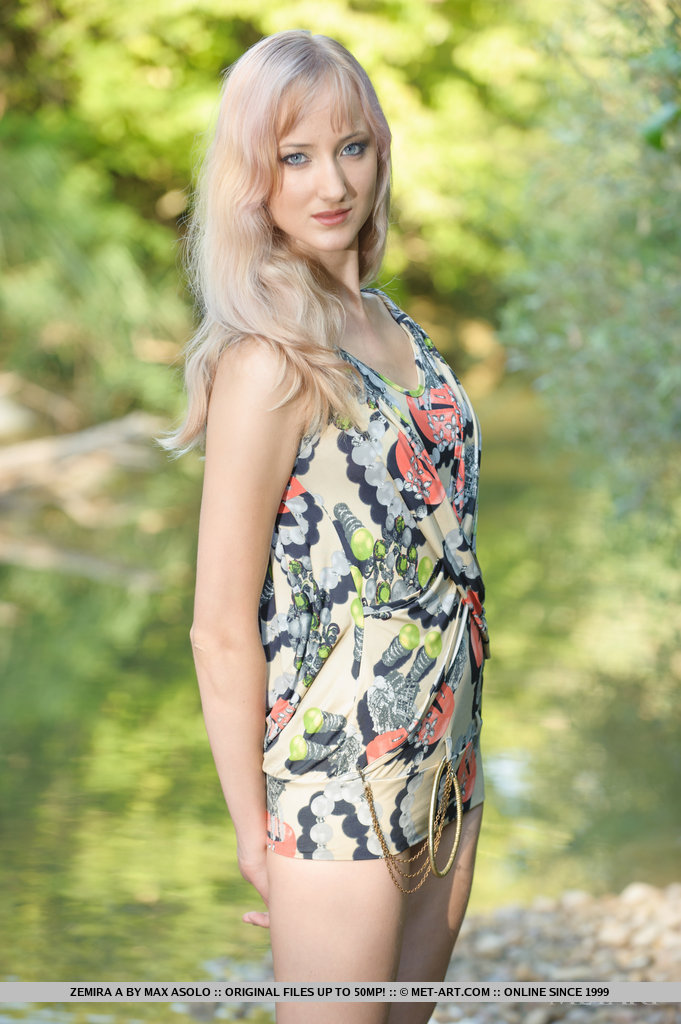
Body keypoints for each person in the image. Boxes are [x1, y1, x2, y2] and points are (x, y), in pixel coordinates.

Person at [164, 28, 490, 1024]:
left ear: (380, 151)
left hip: (450, 760)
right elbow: (219, 626)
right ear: (251, 180)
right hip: (337, 778)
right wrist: (254, 832)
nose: (331, 183)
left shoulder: (397, 328)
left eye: (350, 147)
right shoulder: (269, 361)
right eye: (294, 157)